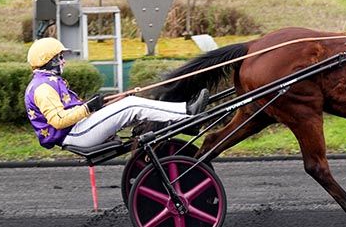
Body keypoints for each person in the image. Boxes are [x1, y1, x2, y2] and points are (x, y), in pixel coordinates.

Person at [24, 37, 208, 150]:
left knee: (127, 102)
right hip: (75, 135)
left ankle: (182, 120)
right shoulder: (43, 88)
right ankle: (187, 113)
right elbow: (58, 121)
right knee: (131, 105)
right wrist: (88, 107)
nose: (63, 61)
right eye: (60, 57)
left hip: (78, 130)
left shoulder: (47, 81)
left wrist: (96, 105)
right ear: (48, 61)